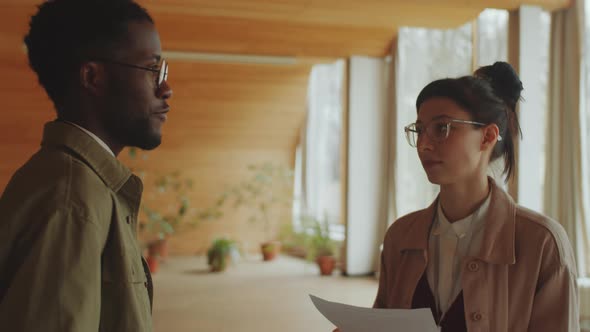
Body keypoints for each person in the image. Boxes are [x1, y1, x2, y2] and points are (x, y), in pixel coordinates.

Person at [0, 0, 172, 331]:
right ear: (93, 77)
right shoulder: (71, 201)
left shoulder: (78, 184)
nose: (166, 89)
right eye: (152, 70)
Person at [370, 62, 578, 331]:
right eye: (420, 129)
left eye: (442, 127)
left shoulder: (542, 244)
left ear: (487, 136)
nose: (424, 144)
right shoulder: (400, 237)